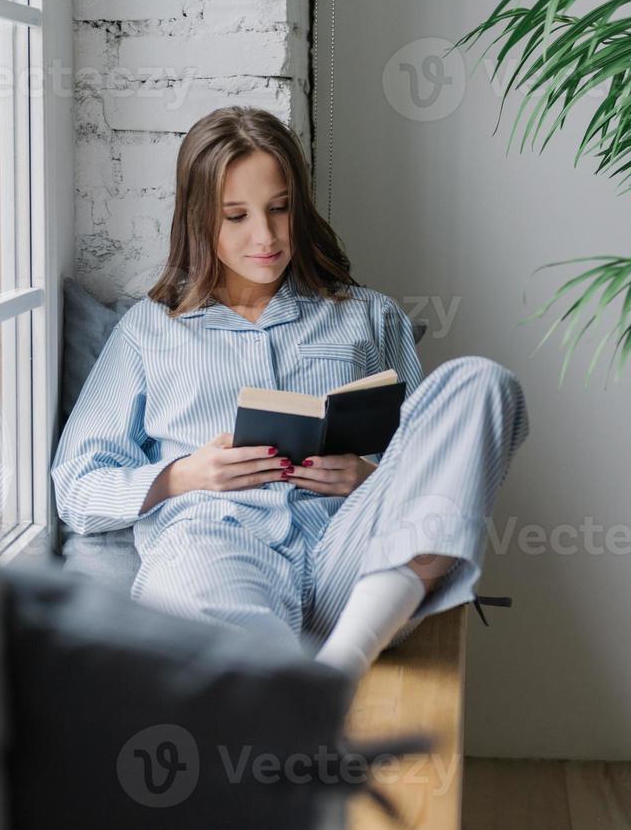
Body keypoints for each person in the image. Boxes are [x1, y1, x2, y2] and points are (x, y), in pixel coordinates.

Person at [50, 106, 529, 682]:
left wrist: (368, 478)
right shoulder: (150, 330)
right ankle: (295, 688)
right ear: (199, 220)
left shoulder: (368, 317)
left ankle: (344, 659)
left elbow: (432, 464)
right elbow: (76, 488)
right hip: (219, 550)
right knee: (194, 582)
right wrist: (183, 475)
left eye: (280, 209)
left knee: (483, 382)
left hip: (353, 562)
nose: (267, 236)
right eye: (236, 216)